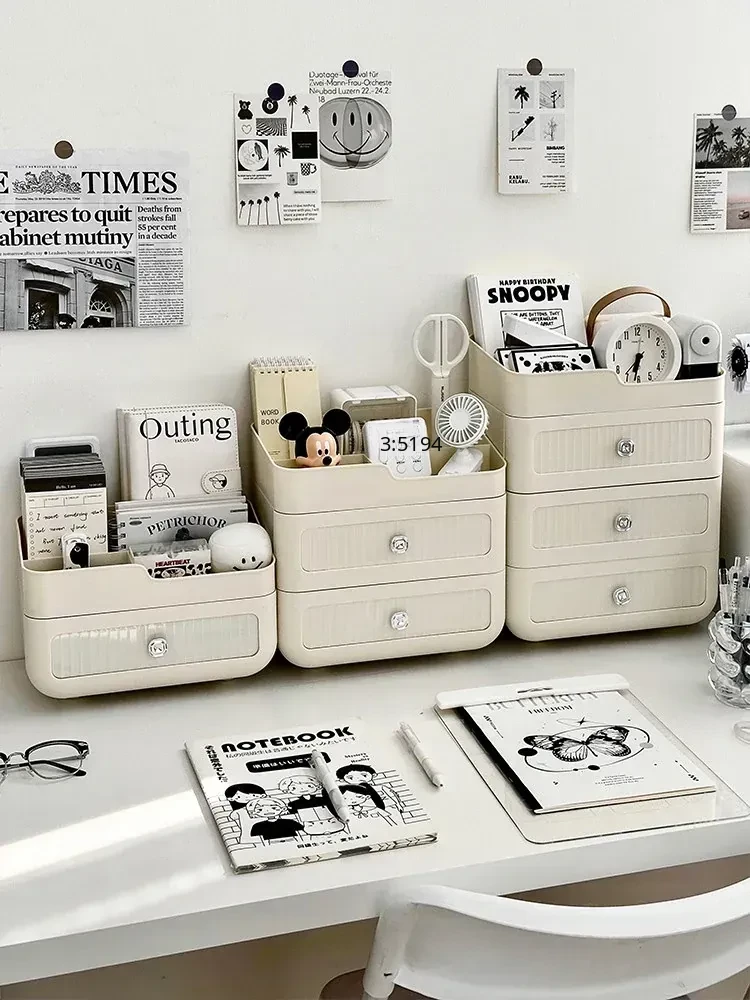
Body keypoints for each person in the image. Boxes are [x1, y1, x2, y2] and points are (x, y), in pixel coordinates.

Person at [279, 774, 344, 835]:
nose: (302, 788)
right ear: (287, 791)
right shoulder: (294, 803)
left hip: (329, 820)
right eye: (294, 788)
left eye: (309, 786)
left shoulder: (321, 799)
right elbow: (293, 814)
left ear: (317, 786)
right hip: (310, 823)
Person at [336, 763, 404, 814]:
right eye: (350, 777)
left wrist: (399, 805)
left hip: (391, 809)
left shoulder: (380, 787)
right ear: (342, 780)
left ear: (373, 775)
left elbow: (392, 795)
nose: (358, 778)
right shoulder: (348, 791)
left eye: (364, 775)